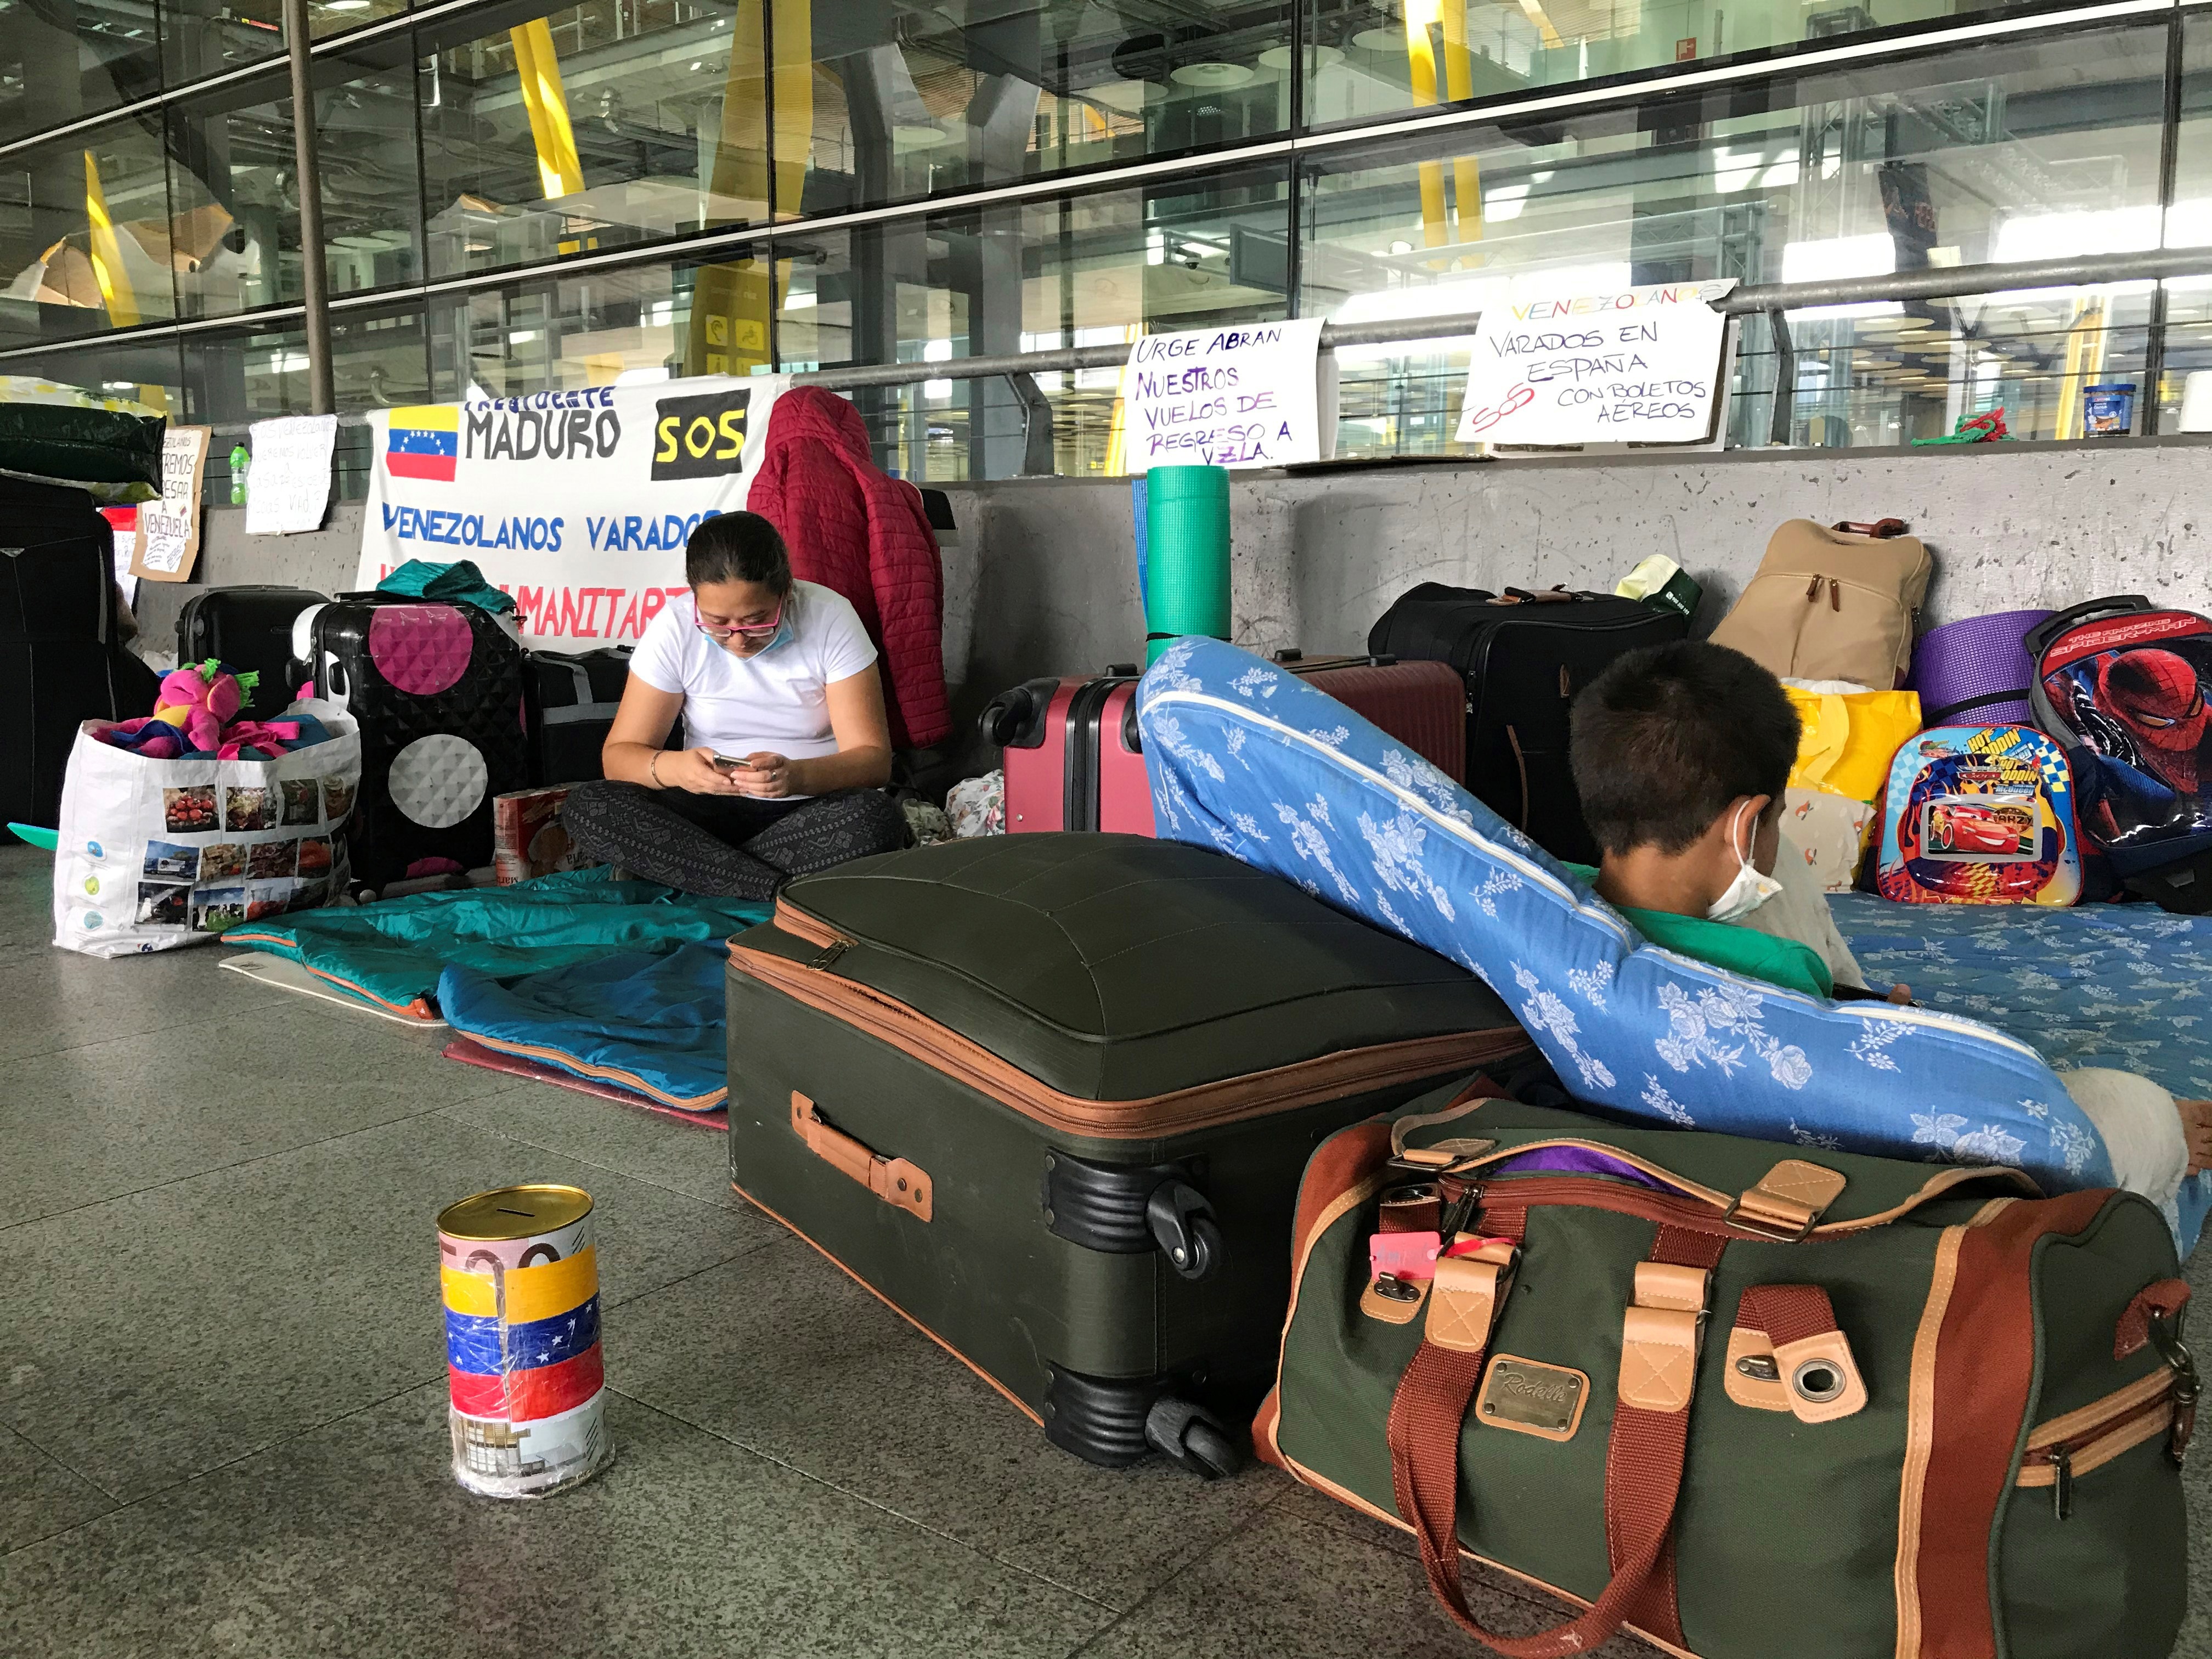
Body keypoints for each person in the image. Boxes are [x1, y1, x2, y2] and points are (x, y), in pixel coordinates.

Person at [1569, 639, 2210, 1195]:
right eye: (1777, 814)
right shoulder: (1763, 989)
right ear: (1743, 825)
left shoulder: (1562, 915)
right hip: (1832, 1160)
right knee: (2132, 1109)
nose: (1778, 835)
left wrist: (1867, 1008)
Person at [560, 511, 907, 899]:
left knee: (876, 820)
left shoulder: (830, 617)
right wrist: (675, 768)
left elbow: (874, 761)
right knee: (590, 807)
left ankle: (693, 874)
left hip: (807, 808)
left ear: (787, 591)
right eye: (716, 623)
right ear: (695, 599)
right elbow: (619, 757)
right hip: (705, 812)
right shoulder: (674, 627)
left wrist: (795, 777)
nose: (738, 640)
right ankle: (776, 888)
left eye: (758, 621)